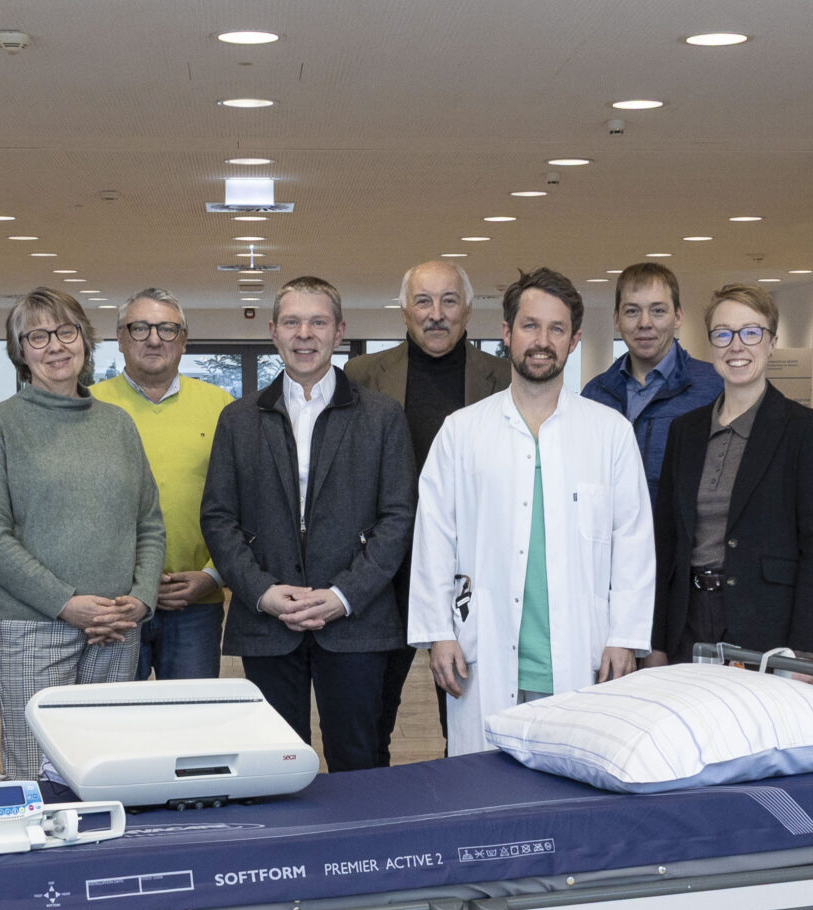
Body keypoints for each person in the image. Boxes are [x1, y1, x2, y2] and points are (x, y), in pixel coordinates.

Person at [408, 268, 655, 757]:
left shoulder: (609, 433)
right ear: (506, 333)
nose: (542, 341)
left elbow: (633, 542)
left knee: (573, 780)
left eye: (556, 329)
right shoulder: (461, 432)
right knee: (483, 785)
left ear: (574, 340)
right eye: (530, 326)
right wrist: (438, 633)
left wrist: (625, 637)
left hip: (584, 653)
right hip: (483, 650)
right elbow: (434, 537)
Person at [200, 277, 416, 771]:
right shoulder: (238, 419)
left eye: (318, 322)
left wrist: (343, 595)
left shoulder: (382, 416)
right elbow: (218, 517)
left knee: (358, 763)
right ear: (273, 331)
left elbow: (398, 517)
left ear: (339, 331)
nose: (304, 334)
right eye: (292, 322)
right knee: (277, 765)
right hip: (268, 620)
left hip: (357, 621)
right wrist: (262, 592)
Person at [0, 288, 167, 776]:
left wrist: (141, 599)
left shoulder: (118, 424)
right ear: (20, 351)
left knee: (106, 766)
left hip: (116, 627)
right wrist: (66, 603)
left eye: (66, 331)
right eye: (37, 336)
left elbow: (149, 523)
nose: (55, 345)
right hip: (34, 628)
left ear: (85, 340)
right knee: (35, 771)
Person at [347, 259, 512, 758]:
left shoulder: (504, 378)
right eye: (423, 301)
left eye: (448, 301)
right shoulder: (361, 376)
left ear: (468, 310)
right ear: (404, 311)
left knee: (467, 715)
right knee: (369, 718)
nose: (436, 313)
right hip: (383, 572)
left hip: (469, 572)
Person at [647, 282, 813, 663]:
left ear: (772, 342)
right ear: (711, 344)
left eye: (751, 333)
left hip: (768, 626)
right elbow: (665, 543)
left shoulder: (805, 429)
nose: (736, 346)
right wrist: (657, 642)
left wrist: (805, 650)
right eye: (723, 334)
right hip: (687, 622)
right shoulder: (685, 431)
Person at [90, 288, 232, 679]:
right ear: (120, 338)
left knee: (190, 715)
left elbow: (244, 504)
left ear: (183, 340)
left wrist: (213, 576)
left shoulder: (221, 406)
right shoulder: (87, 405)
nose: (154, 339)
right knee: (116, 716)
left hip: (195, 604)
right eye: (140, 328)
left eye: (167, 329)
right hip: (113, 605)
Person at [583, 260, 723, 495]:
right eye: (632, 311)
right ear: (617, 319)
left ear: (678, 316)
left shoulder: (714, 388)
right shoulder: (595, 394)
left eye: (658, 311)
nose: (644, 323)